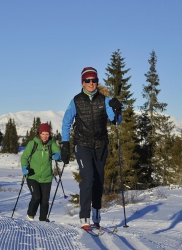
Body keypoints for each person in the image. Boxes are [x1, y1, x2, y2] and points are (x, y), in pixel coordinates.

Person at [60, 67, 122, 230]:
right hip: (82, 144)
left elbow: (115, 121)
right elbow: (66, 122)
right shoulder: (76, 100)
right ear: (83, 82)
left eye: (94, 80)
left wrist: (118, 109)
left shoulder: (104, 100)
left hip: (101, 145)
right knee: (87, 178)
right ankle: (84, 217)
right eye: (87, 80)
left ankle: (96, 214)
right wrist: (65, 144)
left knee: (98, 181)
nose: (91, 83)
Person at [21, 123, 61, 222]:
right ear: (39, 134)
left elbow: (58, 153)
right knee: (36, 196)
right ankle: (30, 214)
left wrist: (57, 156)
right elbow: (24, 157)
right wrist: (24, 167)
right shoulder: (33, 143)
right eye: (43, 134)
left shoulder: (52, 144)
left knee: (45, 200)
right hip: (32, 176)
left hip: (47, 177)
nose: (45, 136)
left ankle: (43, 219)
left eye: (47, 134)